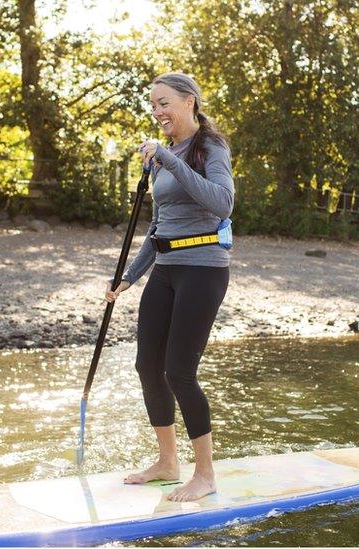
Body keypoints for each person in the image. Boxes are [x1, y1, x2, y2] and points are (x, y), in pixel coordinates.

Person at [104, 72, 234, 503]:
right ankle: (167, 463)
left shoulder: (210, 148)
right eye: (153, 105)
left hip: (203, 268)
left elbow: (222, 202)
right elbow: (158, 227)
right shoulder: (165, 155)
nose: (158, 111)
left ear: (189, 101)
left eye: (164, 103)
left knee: (179, 371)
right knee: (148, 367)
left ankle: (206, 474)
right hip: (165, 266)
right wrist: (128, 277)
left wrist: (171, 160)